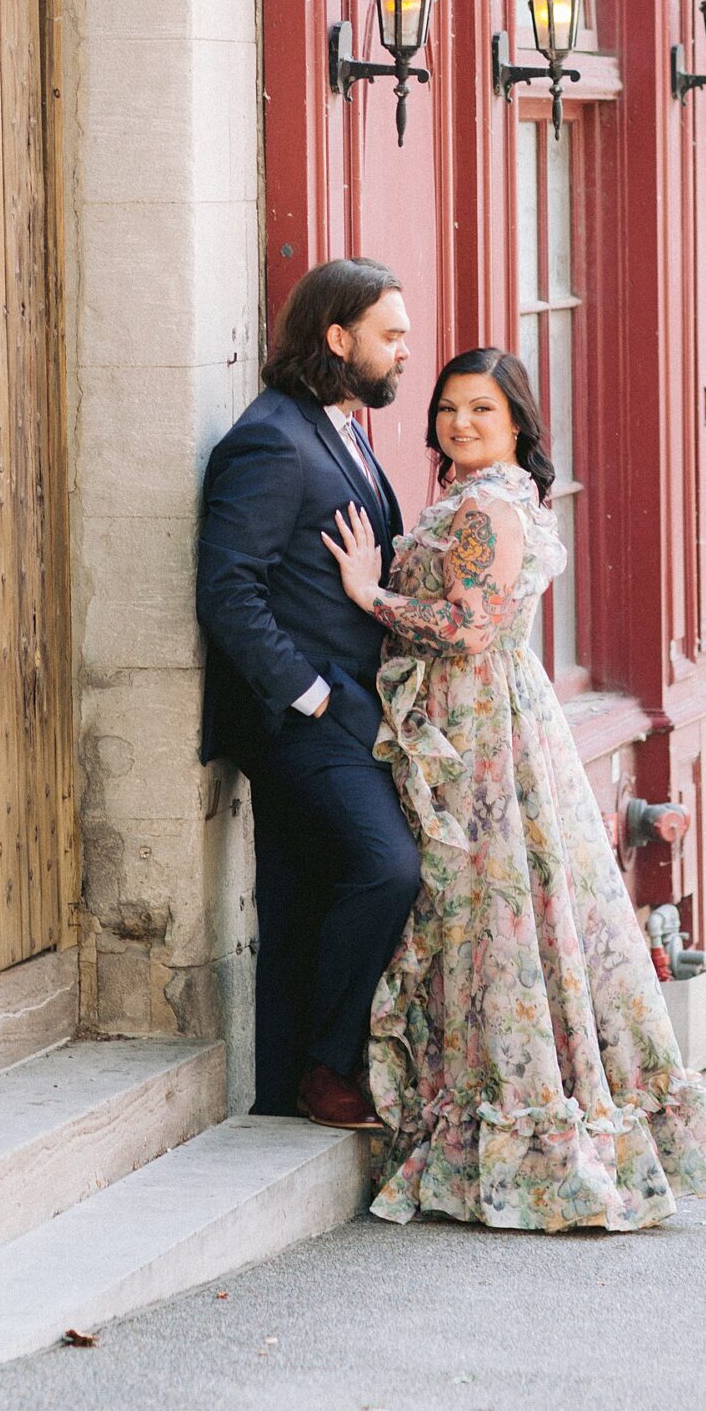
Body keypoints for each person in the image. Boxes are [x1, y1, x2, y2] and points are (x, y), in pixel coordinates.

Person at [324, 346, 706, 1231]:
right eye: (448, 409)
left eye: (481, 410)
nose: (460, 425)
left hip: (484, 728)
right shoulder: (485, 496)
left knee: (494, 918)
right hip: (487, 720)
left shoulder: (487, 503)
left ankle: (530, 1140)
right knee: (492, 921)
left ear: (516, 421)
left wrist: (370, 595)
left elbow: (471, 628)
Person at [196, 257, 422, 1130]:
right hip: (299, 721)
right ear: (337, 338)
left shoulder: (342, 427)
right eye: (389, 336)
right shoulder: (270, 438)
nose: (405, 352)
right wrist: (307, 695)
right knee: (384, 867)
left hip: (351, 713)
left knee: (301, 891)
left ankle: (288, 1076)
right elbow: (228, 588)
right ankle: (329, 1069)